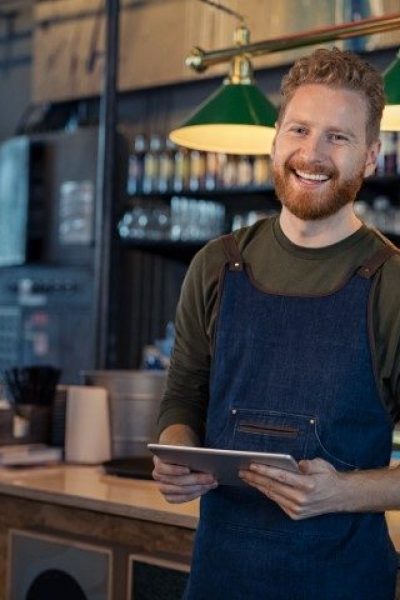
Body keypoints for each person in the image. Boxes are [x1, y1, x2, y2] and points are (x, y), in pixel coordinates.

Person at [152, 47, 400, 600]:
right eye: (299, 130)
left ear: (371, 158)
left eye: (338, 137)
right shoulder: (216, 265)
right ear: (275, 140)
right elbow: (182, 399)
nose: (311, 154)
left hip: (341, 582)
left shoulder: (391, 283)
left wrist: (339, 493)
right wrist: (176, 453)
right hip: (219, 578)